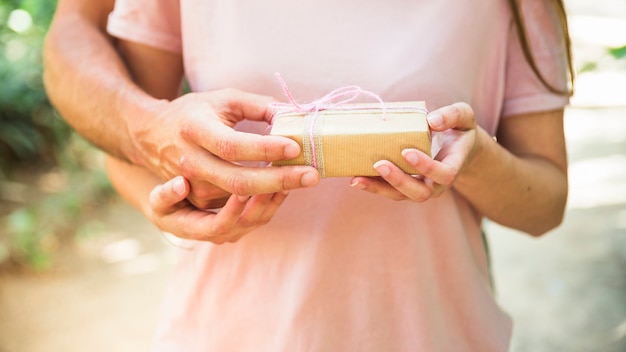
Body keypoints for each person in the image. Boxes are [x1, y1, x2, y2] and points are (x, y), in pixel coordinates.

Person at [44, 0, 573, 350]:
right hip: (227, 334)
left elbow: (545, 204)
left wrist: (473, 159)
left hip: (436, 335)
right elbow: (129, 147)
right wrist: (177, 203)